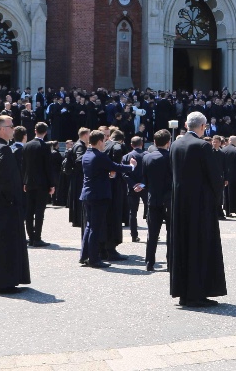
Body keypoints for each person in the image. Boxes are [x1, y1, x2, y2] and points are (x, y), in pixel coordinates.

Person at [170, 112, 228, 307]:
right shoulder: (203, 146)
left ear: (186, 124)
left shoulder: (175, 144)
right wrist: (218, 200)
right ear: (203, 127)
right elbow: (214, 177)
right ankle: (197, 293)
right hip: (200, 205)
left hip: (179, 204)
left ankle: (183, 292)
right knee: (200, 247)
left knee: (183, 247)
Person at [0, 115, 31, 294]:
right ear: (2, 129)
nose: (13, 129)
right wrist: (15, 199)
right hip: (5, 202)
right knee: (6, 241)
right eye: (11, 126)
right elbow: (9, 178)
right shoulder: (4, 149)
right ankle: (6, 281)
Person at [79, 130, 136, 268]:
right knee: (95, 228)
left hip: (88, 193)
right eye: (104, 141)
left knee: (89, 226)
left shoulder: (87, 154)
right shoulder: (99, 156)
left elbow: (97, 172)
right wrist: (132, 167)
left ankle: (84, 255)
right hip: (99, 195)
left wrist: (108, 175)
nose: (105, 143)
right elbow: (116, 166)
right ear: (99, 141)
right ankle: (93, 259)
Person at [21, 122, 55, 247]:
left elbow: (23, 166)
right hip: (42, 183)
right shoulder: (45, 146)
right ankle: (37, 237)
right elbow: (48, 167)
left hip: (29, 182)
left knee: (29, 210)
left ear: (35, 130)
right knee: (39, 211)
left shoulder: (27, 145)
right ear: (45, 132)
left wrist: (24, 181)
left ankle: (30, 236)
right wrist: (52, 184)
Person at [142, 130, 172, 272]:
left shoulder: (147, 158)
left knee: (152, 234)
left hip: (153, 198)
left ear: (154, 142)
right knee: (170, 233)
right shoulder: (171, 157)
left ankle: (149, 262)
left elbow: (145, 180)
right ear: (168, 142)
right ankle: (170, 262)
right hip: (169, 200)